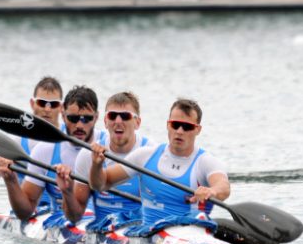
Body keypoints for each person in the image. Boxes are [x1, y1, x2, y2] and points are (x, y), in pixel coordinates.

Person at [89, 98, 229, 236]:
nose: (179, 131)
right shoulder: (144, 156)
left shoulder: (205, 161)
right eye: (175, 125)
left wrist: (212, 191)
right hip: (148, 236)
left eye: (187, 127)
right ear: (168, 125)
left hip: (189, 235)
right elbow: (101, 184)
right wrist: (97, 165)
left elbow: (223, 187)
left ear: (197, 130)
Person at [0, 85, 106, 224]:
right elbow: (25, 213)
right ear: (63, 115)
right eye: (73, 118)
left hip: (106, 223)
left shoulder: (108, 147)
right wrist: (11, 181)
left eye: (87, 119)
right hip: (62, 221)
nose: (79, 125)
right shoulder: (45, 150)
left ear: (96, 117)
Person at [55, 91, 155, 232]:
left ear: (137, 123)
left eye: (125, 116)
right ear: (105, 122)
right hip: (103, 231)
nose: (118, 121)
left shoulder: (150, 152)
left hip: (140, 231)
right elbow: (74, 217)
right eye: (112, 116)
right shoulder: (87, 154)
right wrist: (67, 192)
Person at [0, 76, 63, 210]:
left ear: (61, 107)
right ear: (32, 104)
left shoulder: (71, 140)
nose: (47, 109)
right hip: (30, 212)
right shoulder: (18, 145)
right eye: (42, 103)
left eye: (53, 104)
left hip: (65, 212)